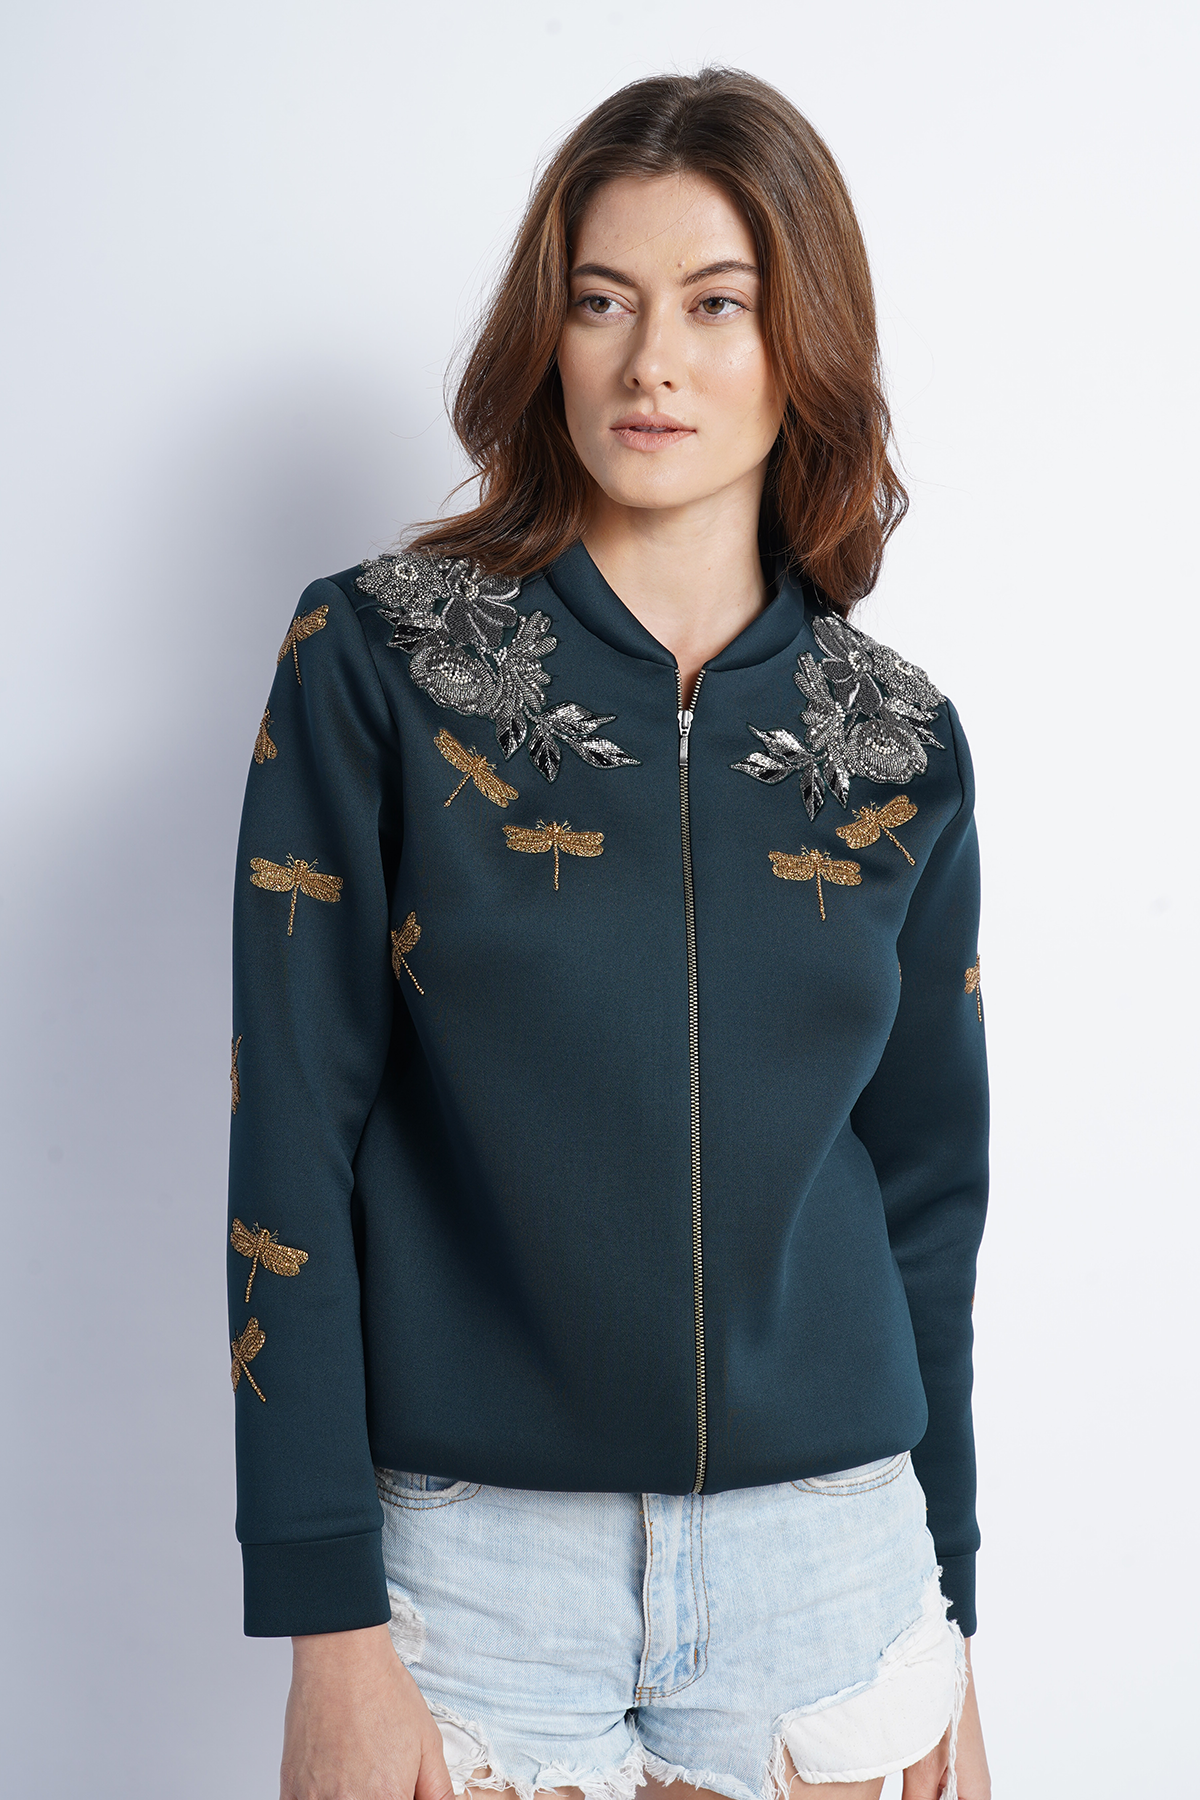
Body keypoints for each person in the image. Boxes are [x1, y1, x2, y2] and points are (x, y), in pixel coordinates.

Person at [228, 68, 992, 1800]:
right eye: (602, 301)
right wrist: (325, 1615)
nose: (654, 361)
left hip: (834, 1582)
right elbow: (290, 1148)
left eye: (717, 304)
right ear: (549, 336)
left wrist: (952, 1617)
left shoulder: (899, 742)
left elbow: (930, 1204)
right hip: (473, 1582)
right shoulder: (377, 668)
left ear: (800, 344)